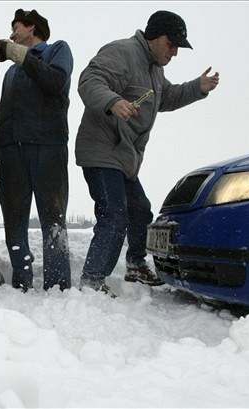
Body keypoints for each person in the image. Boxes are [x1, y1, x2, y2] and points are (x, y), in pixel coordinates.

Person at [75, 10, 220, 293]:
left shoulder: (155, 70)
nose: (175, 52)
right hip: (103, 150)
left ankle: (135, 264)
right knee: (114, 215)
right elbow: (89, 80)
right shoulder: (123, 52)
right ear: (154, 36)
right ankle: (92, 281)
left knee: (140, 210)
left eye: (178, 47)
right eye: (171, 44)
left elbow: (167, 98)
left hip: (125, 158)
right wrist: (113, 101)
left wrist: (197, 88)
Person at [0, 9, 73, 291]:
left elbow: (55, 82)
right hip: (11, 153)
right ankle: (21, 281)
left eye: (16, 28)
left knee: (53, 219)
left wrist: (15, 53)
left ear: (32, 28)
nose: (11, 35)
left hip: (48, 148)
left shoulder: (57, 51)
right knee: (14, 220)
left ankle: (58, 286)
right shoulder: (11, 72)